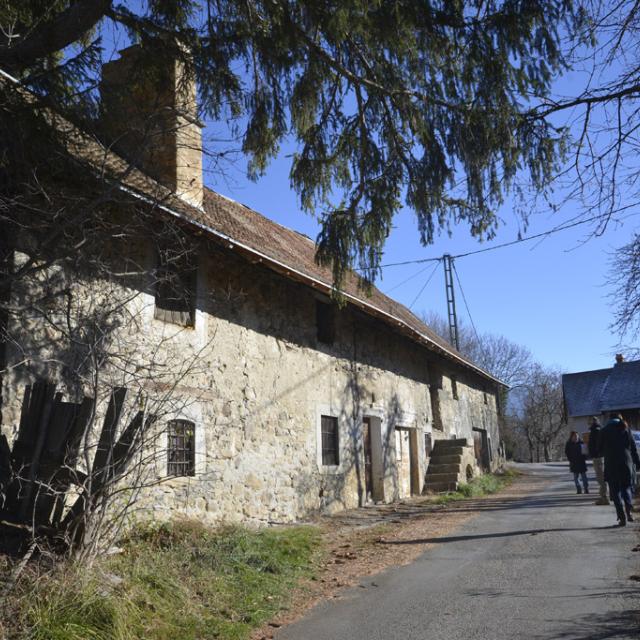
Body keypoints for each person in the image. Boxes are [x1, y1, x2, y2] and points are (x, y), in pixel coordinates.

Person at [600, 413, 640, 526]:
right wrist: (637, 463)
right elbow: (633, 448)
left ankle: (621, 518)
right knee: (626, 488)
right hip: (626, 464)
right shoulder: (626, 428)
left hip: (611, 465)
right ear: (620, 418)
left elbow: (599, 449)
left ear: (610, 419)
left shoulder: (604, 430)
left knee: (615, 492)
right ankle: (629, 512)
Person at [588, 416, 609, 505]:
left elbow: (598, 445)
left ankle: (604, 498)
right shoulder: (599, 429)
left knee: (601, 478)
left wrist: (594, 452)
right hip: (600, 456)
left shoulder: (596, 431)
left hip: (598, 457)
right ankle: (605, 496)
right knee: (602, 477)